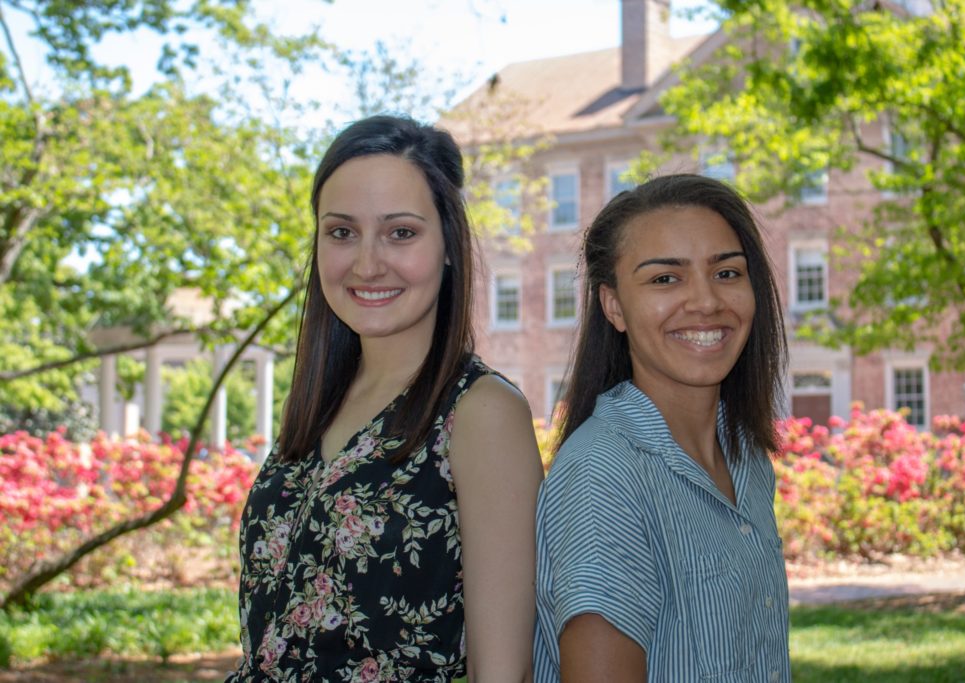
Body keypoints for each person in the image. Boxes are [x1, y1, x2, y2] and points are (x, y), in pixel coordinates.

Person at [226, 115, 543, 682]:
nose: (367, 263)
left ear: (448, 244)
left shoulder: (481, 413)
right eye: (342, 232)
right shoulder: (319, 406)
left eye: (401, 232)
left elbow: (503, 674)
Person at [533, 174, 791, 682]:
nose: (705, 301)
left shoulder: (744, 458)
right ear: (613, 306)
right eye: (664, 279)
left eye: (727, 273)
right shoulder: (602, 475)